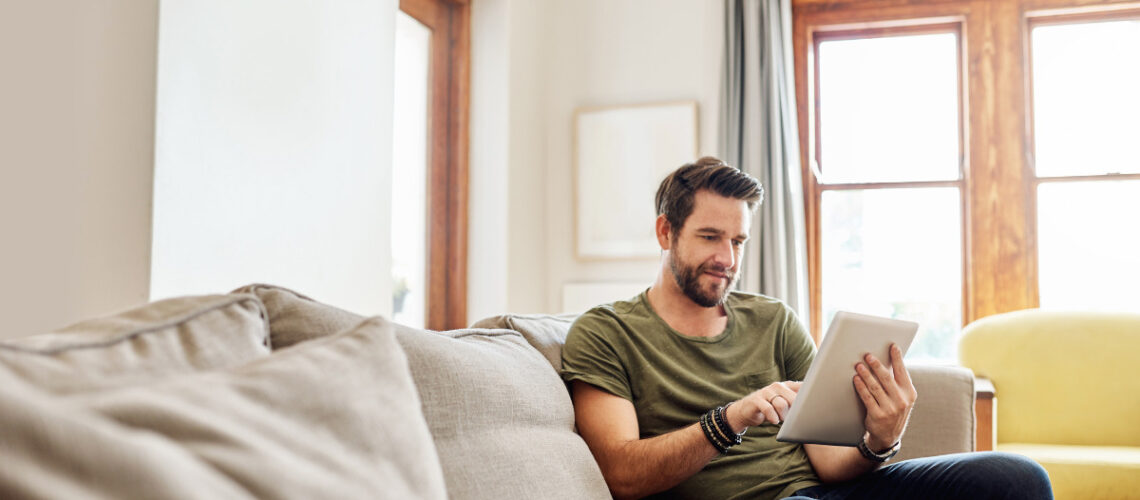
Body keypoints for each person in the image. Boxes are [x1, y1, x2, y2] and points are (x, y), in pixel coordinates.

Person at [560, 157, 1052, 500]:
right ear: (666, 232)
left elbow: (827, 461)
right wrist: (731, 418)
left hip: (833, 492)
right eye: (710, 237)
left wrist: (877, 442)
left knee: (1016, 479)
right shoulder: (606, 333)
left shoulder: (773, 320)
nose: (727, 259)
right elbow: (621, 475)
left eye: (738, 241)